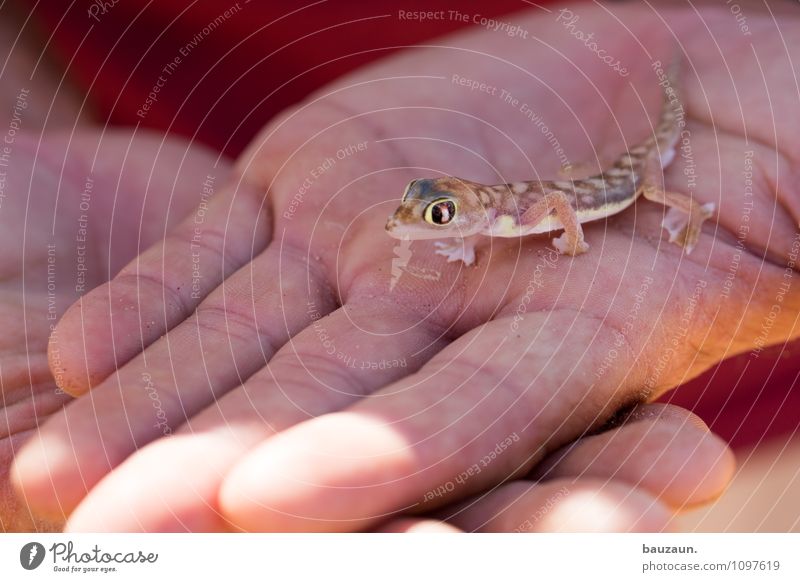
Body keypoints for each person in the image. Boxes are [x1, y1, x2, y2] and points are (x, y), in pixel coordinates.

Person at [3, 1, 798, 532]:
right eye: (433, 217)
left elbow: (559, 211)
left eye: (441, 220)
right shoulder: (489, 216)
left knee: (659, 183)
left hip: (746, 404)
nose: (429, 229)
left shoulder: (530, 210)